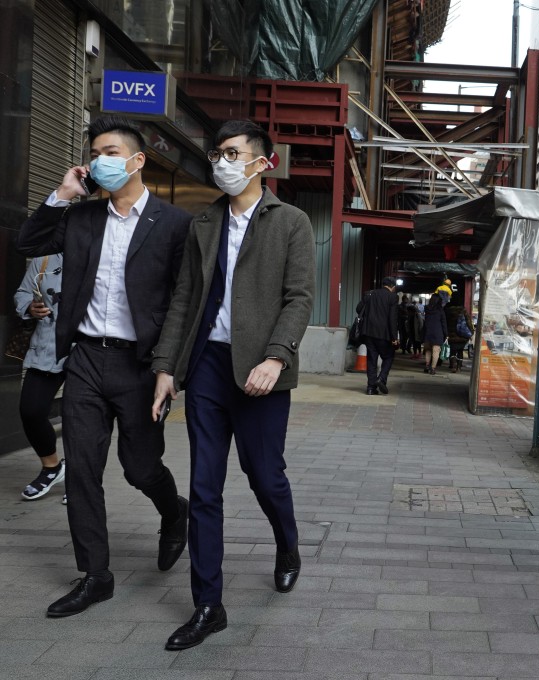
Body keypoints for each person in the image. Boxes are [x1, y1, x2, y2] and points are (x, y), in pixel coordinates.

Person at [150, 119, 315, 650]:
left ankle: (287, 545)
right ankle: (208, 605)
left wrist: (276, 356)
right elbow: (183, 301)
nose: (222, 162)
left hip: (260, 370)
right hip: (206, 370)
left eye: (232, 153)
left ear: (262, 163)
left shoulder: (290, 222)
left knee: (264, 475)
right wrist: (166, 366)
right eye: (217, 152)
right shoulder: (204, 223)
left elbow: (299, 298)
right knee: (204, 487)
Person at [18, 116, 191, 618]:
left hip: (141, 366)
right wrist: (62, 193)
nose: (100, 161)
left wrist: (169, 367)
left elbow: (182, 300)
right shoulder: (83, 217)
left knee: (139, 468)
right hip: (88, 359)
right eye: (95, 152)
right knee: (83, 473)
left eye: (110, 151)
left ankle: (173, 511)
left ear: (138, 160)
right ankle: (96, 575)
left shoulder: (175, 223)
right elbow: (27, 245)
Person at [14, 254, 66, 502]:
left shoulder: (103, 253)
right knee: (31, 411)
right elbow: (23, 292)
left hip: (88, 351)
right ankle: (52, 467)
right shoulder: (45, 260)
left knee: (83, 419)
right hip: (47, 347)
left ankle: (82, 478)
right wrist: (29, 307)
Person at [357, 277, 399, 395]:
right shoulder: (393, 297)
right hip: (384, 334)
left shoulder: (370, 294)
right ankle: (381, 379)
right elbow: (392, 319)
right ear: (393, 287)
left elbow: (358, 309)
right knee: (388, 356)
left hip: (368, 333)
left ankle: (371, 388)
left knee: (371, 359)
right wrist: (394, 338)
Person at [421, 295, 448, 375]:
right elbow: (444, 324)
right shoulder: (440, 311)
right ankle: (433, 368)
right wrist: (446, 334)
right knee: (436, 351)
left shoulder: (427, 309)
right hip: (437, 333)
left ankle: (426, 366)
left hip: (428, 332)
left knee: (428, 350)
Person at [444, 302, 473, 373]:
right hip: (463, 336)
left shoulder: (448, 312)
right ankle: (459, 367)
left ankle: (453, 366)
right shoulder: (464, 312)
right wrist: (471, 333)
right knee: (460, 351)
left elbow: (445, 323)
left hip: (452, 335)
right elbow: (469, 323)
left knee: (452, 351)